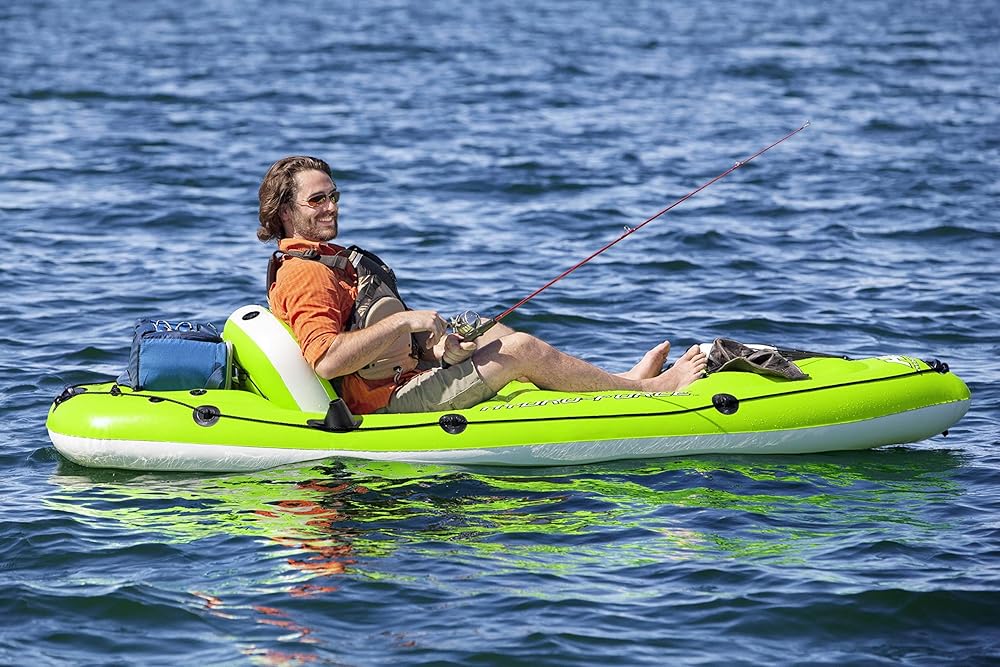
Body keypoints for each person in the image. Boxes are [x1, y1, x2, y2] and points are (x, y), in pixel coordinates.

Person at [258, 155, 707, 415]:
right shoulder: (305, 274)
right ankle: (653, 392)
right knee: (521, 349)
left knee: (494, 331)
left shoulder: (326, 259)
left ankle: (621, 382)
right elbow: (327, 361)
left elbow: (367, 336)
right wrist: (407, 322)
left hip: (397, 374)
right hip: (381, 403)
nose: (331, 207)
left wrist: (436, 350)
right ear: (285, 212)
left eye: (334, 195)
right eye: (317, 200)